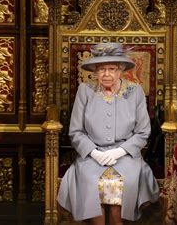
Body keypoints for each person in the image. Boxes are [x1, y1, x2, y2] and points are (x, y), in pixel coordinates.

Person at [57, 43, 159, 224]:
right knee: (91, 182)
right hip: (90, 157)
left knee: (121, 184)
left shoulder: (135, 91)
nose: (106, 74)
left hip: (126, 156)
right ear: (95, 71)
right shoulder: (85, 91)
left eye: (111, 69)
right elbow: (75, 131)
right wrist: (94, 152)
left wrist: (119, 151)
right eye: (102, 69)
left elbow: (143, 132)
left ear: (120, 70)